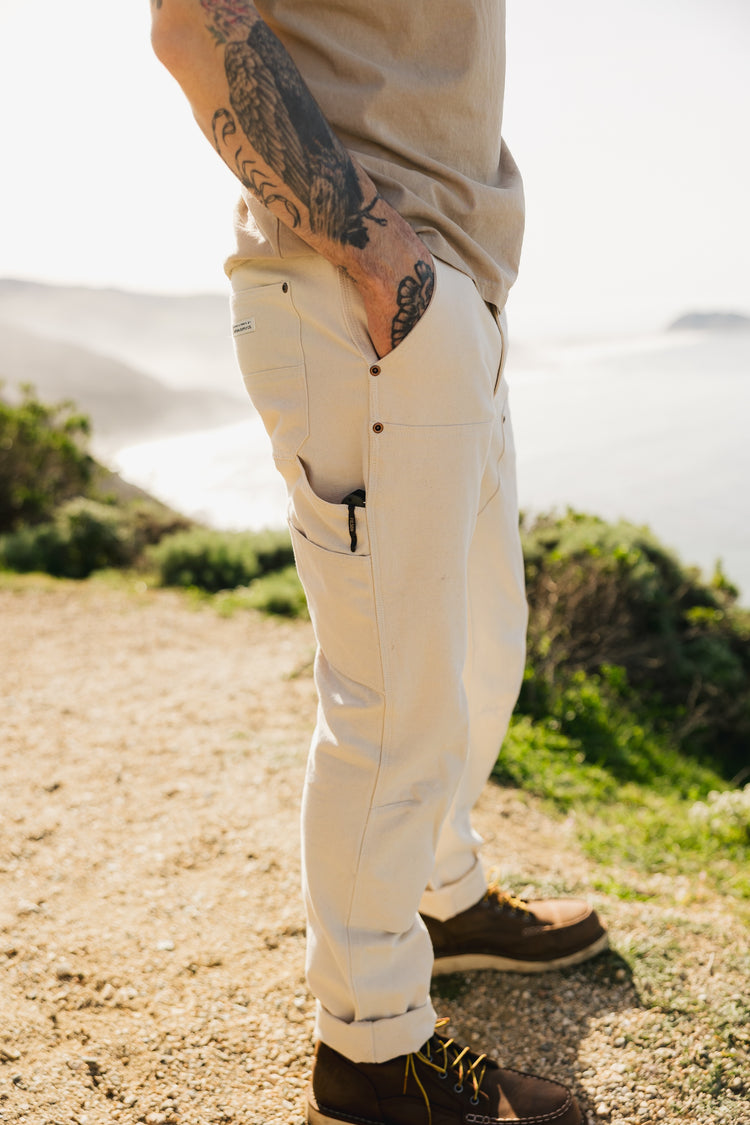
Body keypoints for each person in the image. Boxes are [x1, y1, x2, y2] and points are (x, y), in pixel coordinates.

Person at [150, 3, 608, 1122]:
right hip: (365, 288)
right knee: (392, 696)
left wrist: (438, 294)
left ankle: (441, 896)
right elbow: (190, 23)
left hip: (445, 298)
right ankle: (371, 1044)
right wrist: (376, 255)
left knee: (483, 646)